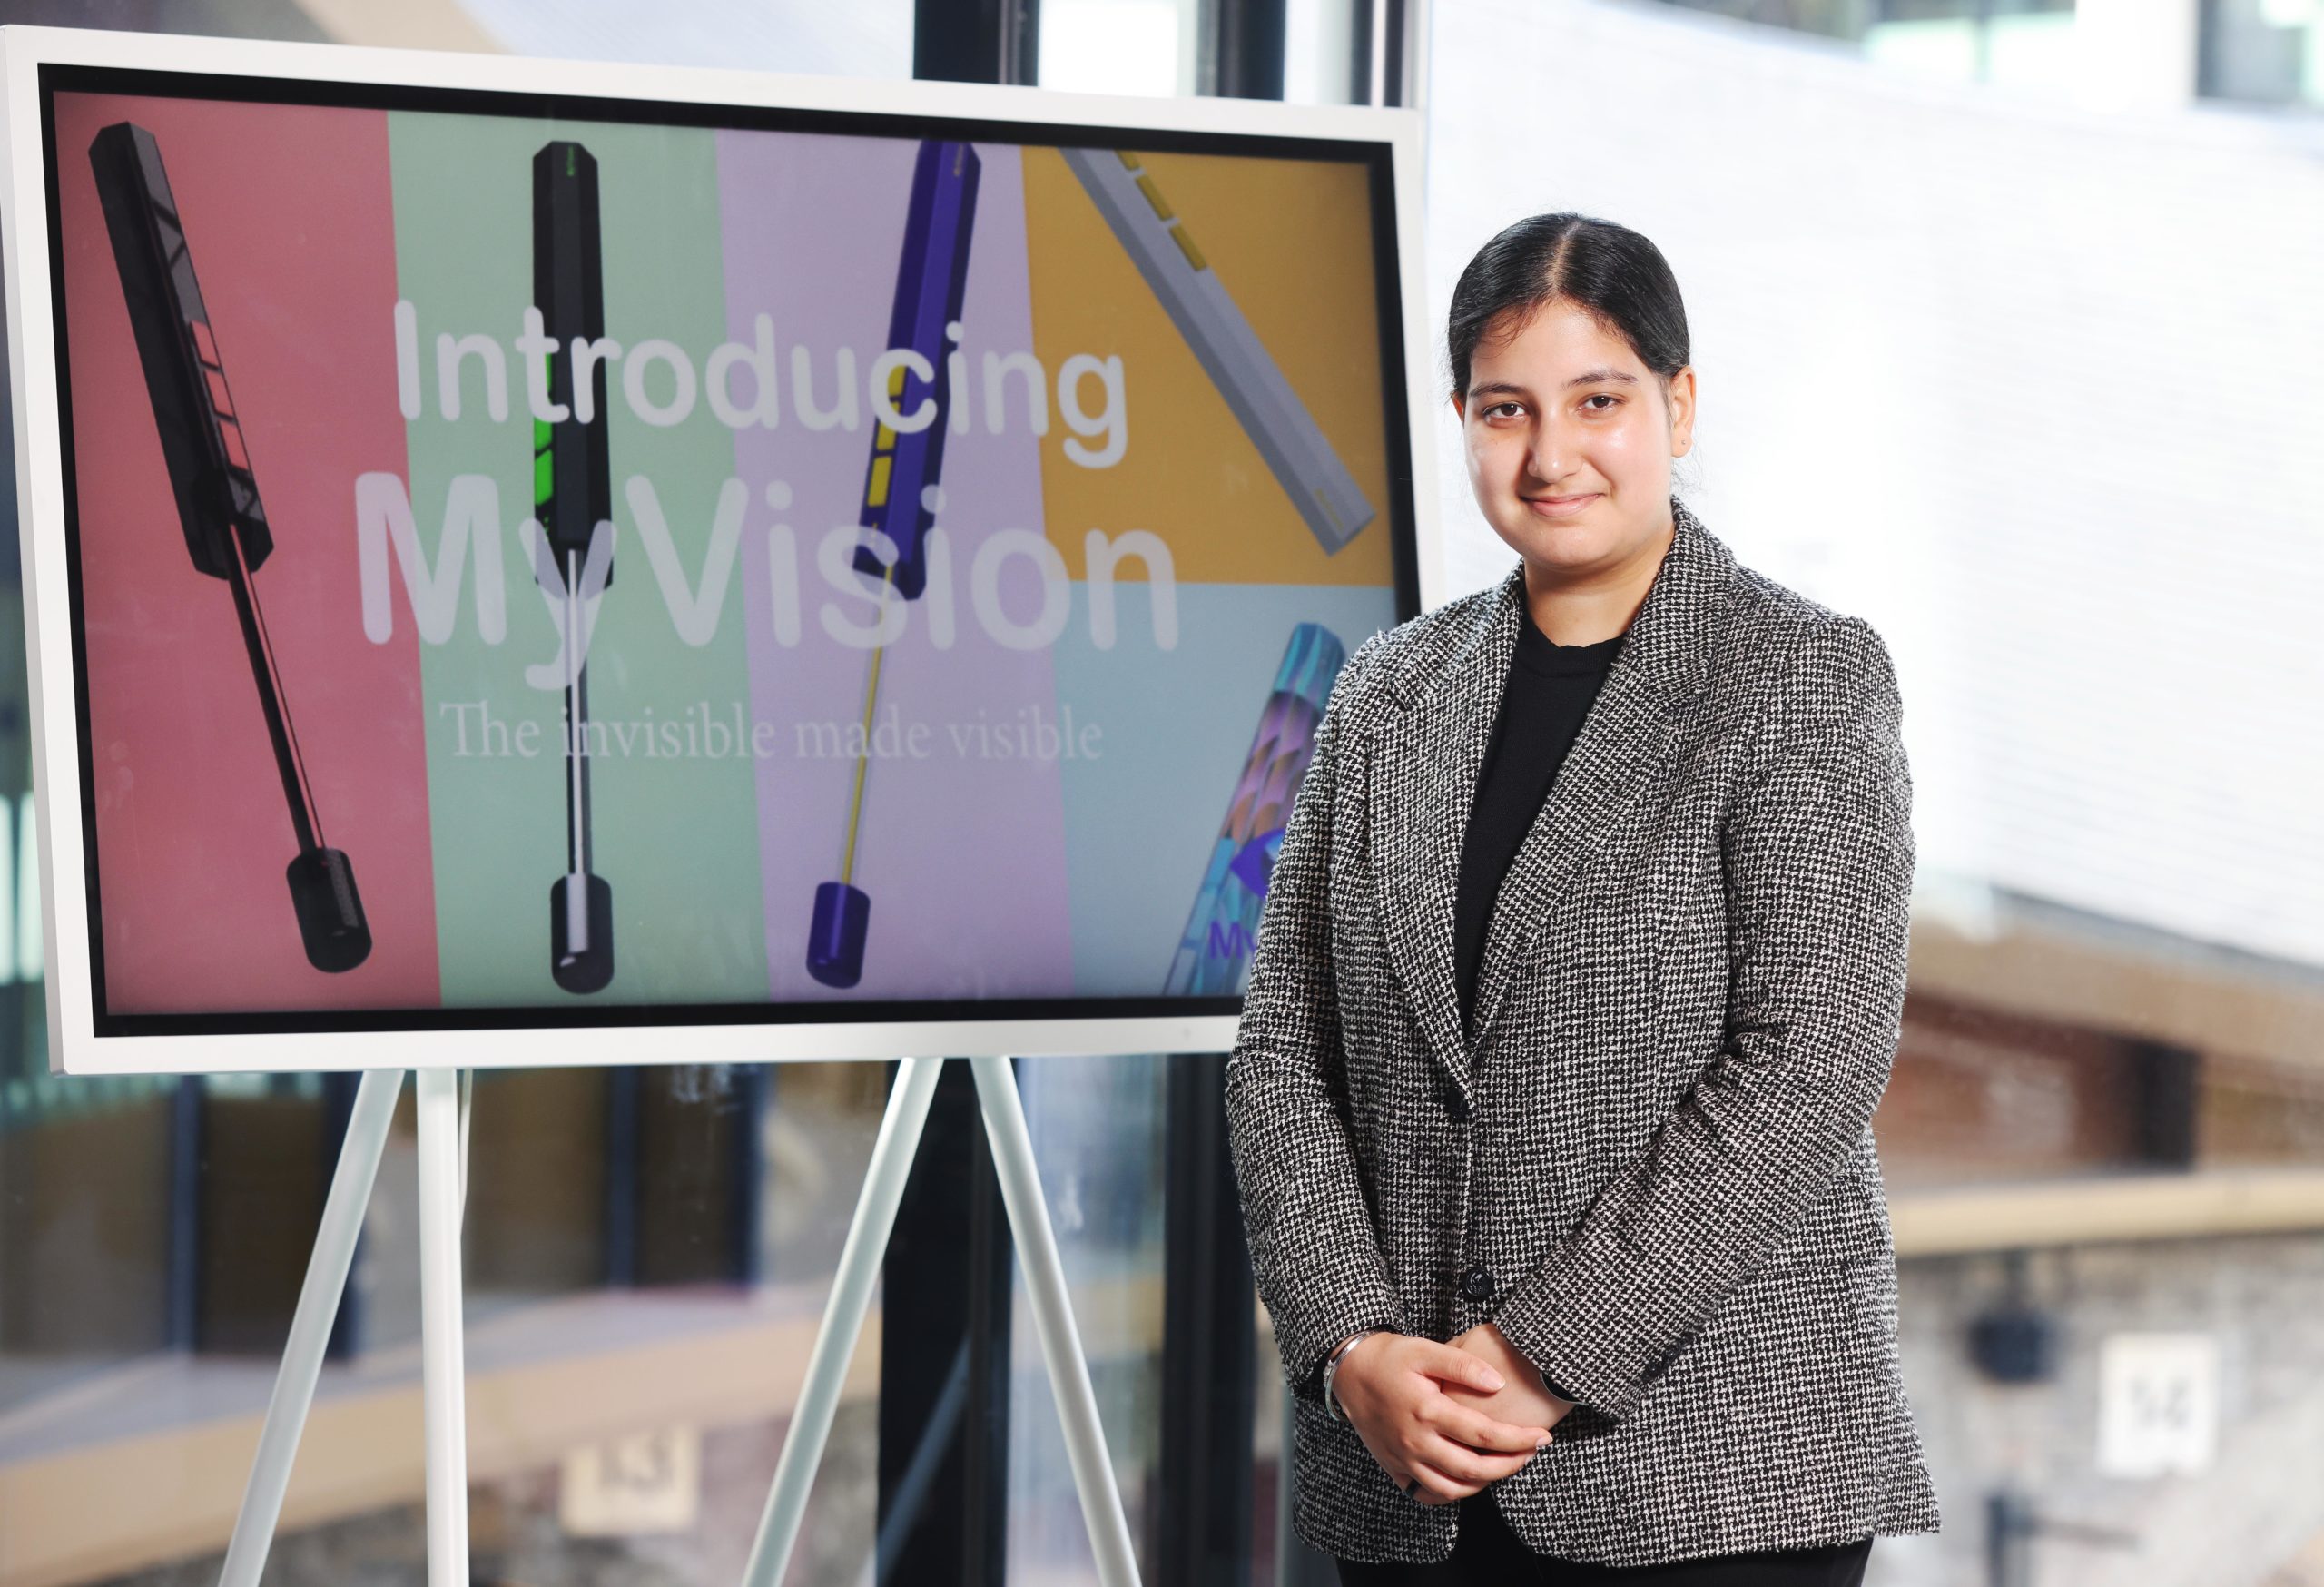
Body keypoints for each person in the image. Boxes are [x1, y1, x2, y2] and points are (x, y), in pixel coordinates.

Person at [1224, 212, 1942, 1585]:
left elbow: (1811, 1063)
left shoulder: (1799, 678)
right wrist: (1350, 1344)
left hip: (1710, 1476)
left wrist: (1542, 1356)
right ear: (1463, 421)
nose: (1550, 456)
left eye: (1598, 401)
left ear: (1678, 403)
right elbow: (1281, 1052)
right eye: (1507, 410)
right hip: (1409, 1469)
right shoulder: (1388, 693)